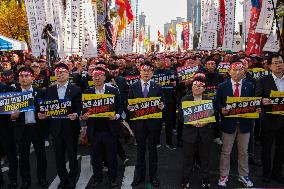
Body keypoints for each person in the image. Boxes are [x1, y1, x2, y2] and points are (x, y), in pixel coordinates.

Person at [216, 62, 260, 188]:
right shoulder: (222, 86)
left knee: (243, 152)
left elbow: (254, 103)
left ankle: (243, 175)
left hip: (245, 124)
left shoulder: (250, 86)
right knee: (226, 152)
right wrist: (221, 109)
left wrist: (256, 108)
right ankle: (224, 175)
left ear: (244, 72)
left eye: (240, 70)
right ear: (229, 71)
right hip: (228, 124)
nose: (237, 72)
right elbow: (217, 103)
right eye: (234, 70)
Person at [38, 63, 82, 189]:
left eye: (63, 72)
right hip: (55, 129)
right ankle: (63, 178)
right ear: (55, 74)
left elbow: (79, 107)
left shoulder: (76, 90)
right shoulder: (49, 90)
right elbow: (47, 109)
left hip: (71, 128)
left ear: (68, 74)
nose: (60, 74)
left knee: (72, 155)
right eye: (58, 72)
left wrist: (76, 114)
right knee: (58, 156)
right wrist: (44, 115)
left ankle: (72, 179)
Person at [82, 67, 123, 188]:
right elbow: (83, 110)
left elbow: (120, 107)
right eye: (94, 76)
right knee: (96, 157)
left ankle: (112, 178)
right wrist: (83, 116)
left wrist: (116, 116)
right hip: (94, 130)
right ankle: (97, 178)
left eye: (99, 75)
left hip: (110, 130)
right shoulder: (88, 92)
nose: (97, 78)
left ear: (105, 77)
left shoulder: (113, 90)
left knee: (111, 156)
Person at [128, 62, 164, 187]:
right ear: (140, 72)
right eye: (144, 70)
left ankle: (153, 177)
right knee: (140, 151)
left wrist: (161, 106)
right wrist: (129, 107)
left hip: (153, 124)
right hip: (139, 124)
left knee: (153, 152)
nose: (146, 73)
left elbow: (161, 103)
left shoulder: (158, 87)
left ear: (152, 73)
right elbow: (130, 102)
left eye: (149, 71)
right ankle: (140, 176)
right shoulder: (133, 86)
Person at [12, 67, 48, 189]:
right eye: (21, 76)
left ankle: (42, 178)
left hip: (37, 128)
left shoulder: (41, 92)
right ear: (18, 79)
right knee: (23, 157)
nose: (24, 78)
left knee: (41, 155)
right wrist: (13, 117)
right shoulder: (13, 94)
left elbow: (47, 110)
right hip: (22, 130)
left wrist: (44, 115)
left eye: (27, 76)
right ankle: (25, 180)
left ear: (32, 78)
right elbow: (8, 116)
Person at [179, 77, 213, 189]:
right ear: (191, 87)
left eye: (199, 86)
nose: (196, 88)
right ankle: (185, 179)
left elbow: (213, 116)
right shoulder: (185, 99)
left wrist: (205, 122)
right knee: (187, 159)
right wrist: (191, 122)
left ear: (204, 88)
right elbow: (180, 116)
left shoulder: (209, 99)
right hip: (189, 134)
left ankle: (205, 179)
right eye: (194, 86)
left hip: (205, 134)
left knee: (205, 159)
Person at [255, 53, 284, 184]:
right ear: (269, 65)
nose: (279, 65)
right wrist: (262, 100)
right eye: (276, 63)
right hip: (269, 120)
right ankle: (266, 174)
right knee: (266, 149)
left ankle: (277, 174)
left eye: (281, 62)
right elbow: (256, 98)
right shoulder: (263, 80)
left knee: (281, 149)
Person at [0, 82, 18, 189]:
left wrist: (14, 114)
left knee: (11, 156)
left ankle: (13, 180)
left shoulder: (9, 89)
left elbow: (15, 108)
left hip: (6, 129)